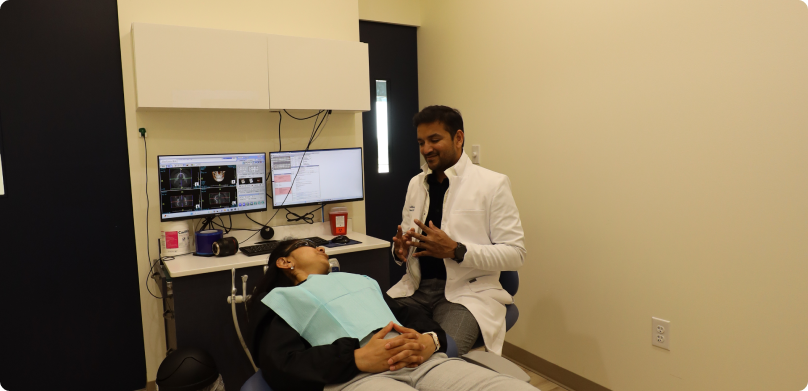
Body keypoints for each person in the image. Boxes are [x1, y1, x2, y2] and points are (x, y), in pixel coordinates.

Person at [248, 239, 536, 391]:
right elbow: (280, 364)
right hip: (357, 379)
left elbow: (409, 314)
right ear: (285, 262)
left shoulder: (359, 280)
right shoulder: (279, 300)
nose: (322, 247)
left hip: (423, 363)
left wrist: (430, 341)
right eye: (310, 245)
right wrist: (355, 357)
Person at [389, 105, 526, 356]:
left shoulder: (492, 184)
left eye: (434, 140)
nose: (426, 149)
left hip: (465, 296)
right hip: (415, 291)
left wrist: (457, 250)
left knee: (438, 357)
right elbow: (406, 240)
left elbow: (516, 253)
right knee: (374, 342)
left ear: (458, 138)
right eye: (421, 142)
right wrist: (400, 252)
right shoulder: (415, 184)